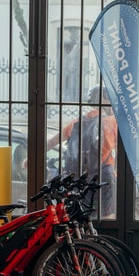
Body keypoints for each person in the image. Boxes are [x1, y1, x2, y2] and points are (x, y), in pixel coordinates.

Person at [46, 85, 118, 218]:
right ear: (104, 99)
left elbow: (53, 141)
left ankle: (80, 236)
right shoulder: (112, 122)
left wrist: (31, 158)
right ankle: (104, 236)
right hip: (105, 174)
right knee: (108, 213)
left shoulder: (78, 122)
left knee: (81, 212)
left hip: (81, 176)